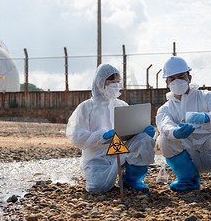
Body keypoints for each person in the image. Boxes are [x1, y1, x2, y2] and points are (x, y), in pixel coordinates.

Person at [155, 56, 211, 196]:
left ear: (189, 78)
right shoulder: (165, 108)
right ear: (167, 82)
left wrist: (207, 118)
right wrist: (174, 132)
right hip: (188, 157)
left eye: (181, 77)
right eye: (172, 78)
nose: (177, 81)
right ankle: (188, 180)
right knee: (163, 139)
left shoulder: (209, 96)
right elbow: (164, 124)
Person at [66, 64, 156, 193]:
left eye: (117, 82)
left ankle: (130, 180)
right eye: (111, 82)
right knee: (97, 188)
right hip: (97, 156)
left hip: (120, 151)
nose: (116, 85)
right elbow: (76, 135)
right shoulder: (86, 107)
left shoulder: (121, 105)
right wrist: (101, 136)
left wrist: (143, 131)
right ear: (100, 82)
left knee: (143, 139)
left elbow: (131, 129)